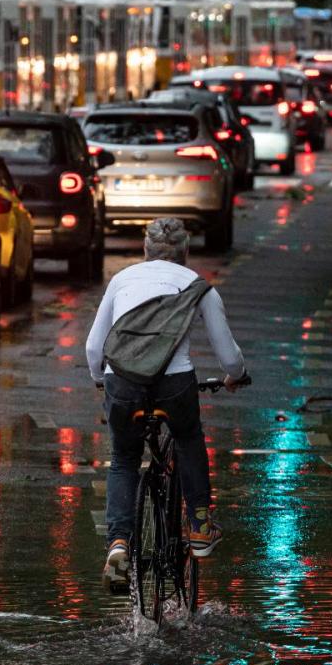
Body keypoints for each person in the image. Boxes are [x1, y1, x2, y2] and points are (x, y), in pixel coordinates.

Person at [86, 218, 247, 586]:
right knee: (188, 437)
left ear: (145, 250)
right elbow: (229, 356)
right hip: (175, 386)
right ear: (185, 253)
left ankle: (118, 544)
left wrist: (101, 379)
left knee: (125, 459)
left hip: (123, 384)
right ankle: (201, 524)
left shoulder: (122, 280)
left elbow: (95, 347)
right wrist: (234, 376)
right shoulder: (198, 287)